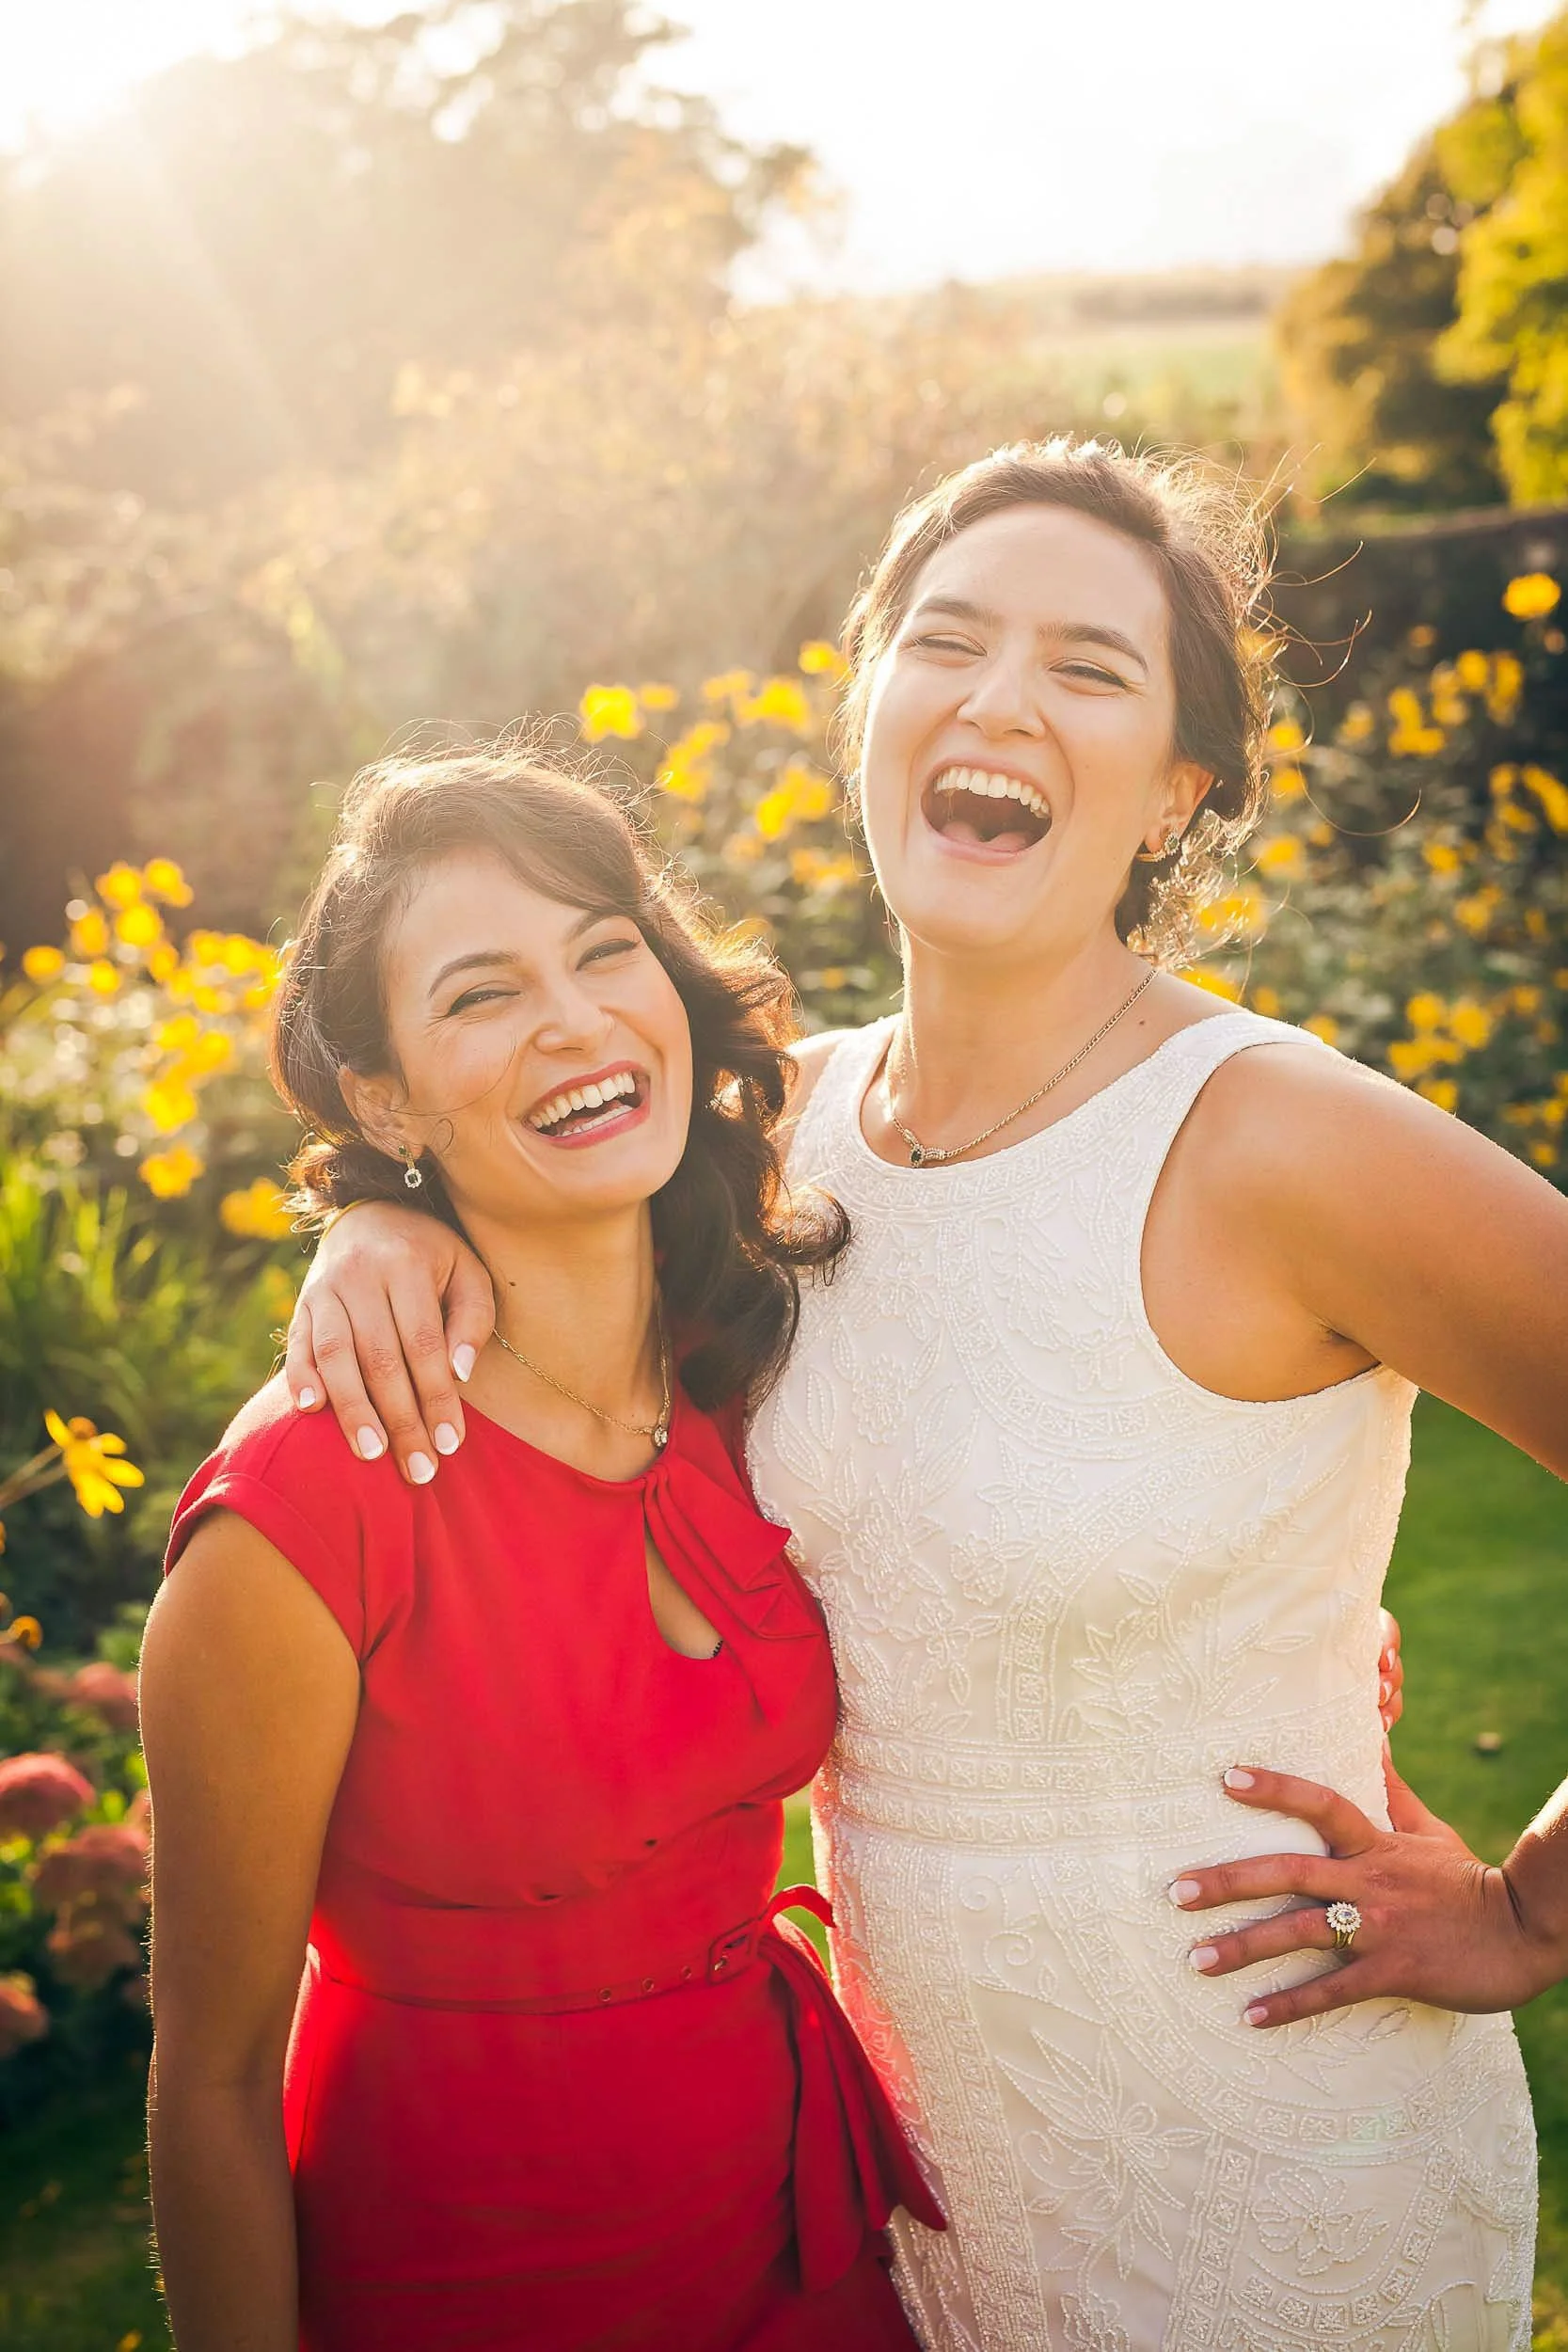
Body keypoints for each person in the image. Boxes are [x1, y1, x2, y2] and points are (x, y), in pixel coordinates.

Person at [282, 441, 1568, 2350]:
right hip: (912, 2181)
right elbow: (536, 1272)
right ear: (863, 707)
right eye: (946, 639)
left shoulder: (1278, 1138)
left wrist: (1535, 1911)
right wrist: (381, 1228)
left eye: (1085, 665)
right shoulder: (764, 1131)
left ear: (1172, 794)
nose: (995, 696)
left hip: (1270, 2160)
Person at [138, 753, 941, 2352]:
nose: (575, 1022)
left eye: (602, 950)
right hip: (475, 2282)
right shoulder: (307, 1515)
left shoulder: (754, 1361)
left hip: (801, 2250)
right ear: (382, 1098)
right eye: (482, 995)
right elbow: (212, 2081)